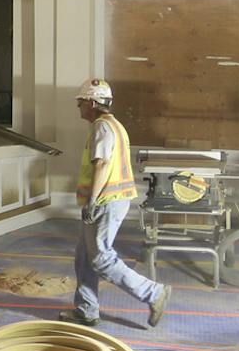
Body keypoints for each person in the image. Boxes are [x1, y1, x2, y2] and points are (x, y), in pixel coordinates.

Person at [65, 79, 170, 328]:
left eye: (80, 102)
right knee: (84, 256)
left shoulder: (101, 127)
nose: (78, 107)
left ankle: (154, 293)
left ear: (91, 103)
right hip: (114, 199)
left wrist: (91, 201)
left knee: (101, 258)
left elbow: (100, 164)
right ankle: (86, 310)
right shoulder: (115, 125)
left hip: (106, 200)